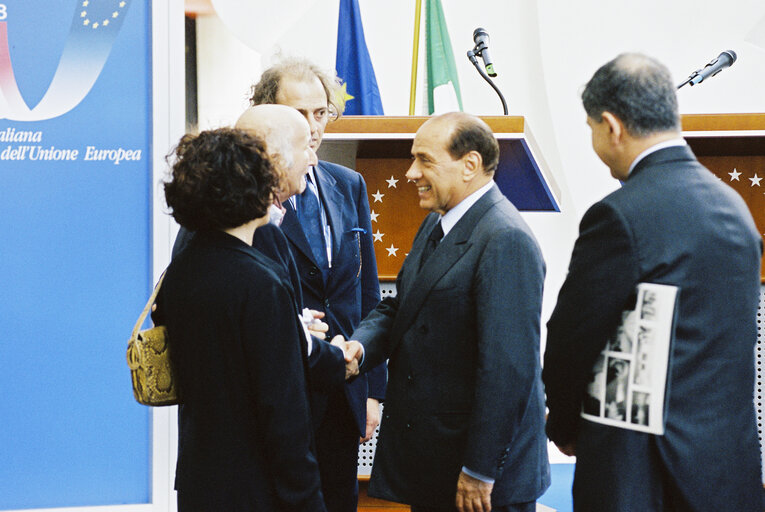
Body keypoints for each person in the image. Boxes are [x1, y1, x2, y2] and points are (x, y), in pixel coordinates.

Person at [543, 53, 763, 511]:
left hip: (641, 475)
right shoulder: (736, 210)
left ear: (611, 125)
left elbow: (572, 340)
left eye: (590, 129)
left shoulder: (621, 215)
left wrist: (563, 426)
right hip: (727, 472)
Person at [348, 112, 550, 512]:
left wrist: (481, 470)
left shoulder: (505, 238)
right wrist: (359, 348)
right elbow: (403, 305)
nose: (410, 172)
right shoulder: (436, 224)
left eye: (424, 160)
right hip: (435, 463)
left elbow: (508, 368)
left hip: (479, 479)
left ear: (469, 165)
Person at [153, 128, 328, 510]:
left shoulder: (182, 269)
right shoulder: (260, 282)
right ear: (252, 188)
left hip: (202, 480)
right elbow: (283, 414)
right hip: (257, 487)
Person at [249, 57, 386, 512]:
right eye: (299, 113)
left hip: (342, 393)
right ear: (268, 112)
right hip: (278, 395)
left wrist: (372, 390)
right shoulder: (241, 199)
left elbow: (366, 295)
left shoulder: (348, 184)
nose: (312, 127)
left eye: (320, 112)